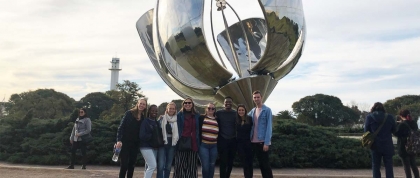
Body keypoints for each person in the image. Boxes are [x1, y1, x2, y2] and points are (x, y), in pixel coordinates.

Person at [116, 98, 147, 178]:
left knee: (132, 165)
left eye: (144, 104)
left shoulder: (143, 117)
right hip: (125, 142)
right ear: (137, 103)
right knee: (124, 165)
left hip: (135, 144)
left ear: (145, 106)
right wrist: (119, 140)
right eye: (141, 103)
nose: (142, 105)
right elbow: (121, 127)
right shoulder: (129, 113)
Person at [364, 102, 396, 178]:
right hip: (387, 144)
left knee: (375, 166)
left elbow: (366, 131)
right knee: (389, 166)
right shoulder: (390, 117)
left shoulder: (369, 117)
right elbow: (394, 130)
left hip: (375, 145)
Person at [248, 90, 273, 178]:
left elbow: (269, 127)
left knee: (265, 165)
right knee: (254, 164)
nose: (256, 99)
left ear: (261, 98)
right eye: (255, 97)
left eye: (258, 97)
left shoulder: (267, 110)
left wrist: (266, 143)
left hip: (262, 142)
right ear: (253, 99)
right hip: (252, 142)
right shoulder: (252, 111)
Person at [173, 98, 200, 178]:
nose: (187, 104)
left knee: (191, 166)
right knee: (180, 166)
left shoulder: (197, 115)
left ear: (192, 104)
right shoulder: (178, 115)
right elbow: (170, 119)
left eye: (189, 103)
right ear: (183, 104)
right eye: (186, 103)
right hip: (182, 142)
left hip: (193, 143)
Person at [394, 109, 419, 178]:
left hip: (403, 147)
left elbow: (396, 133)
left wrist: (397, 124)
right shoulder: (413, 123)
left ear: (401, 116)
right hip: (413, 146)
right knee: (413, 165)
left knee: (407, 167)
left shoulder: (402, 125)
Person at [216, 96, 237, 178]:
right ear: (223, 103)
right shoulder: (219, 113)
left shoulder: (235, 113)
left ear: (232, 103)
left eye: (229, 102)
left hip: (233, 140)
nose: (228, 103)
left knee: (230, 162)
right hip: (222, 140)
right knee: (223, 162)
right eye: (226, 102)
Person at [157, 102, 179, 178]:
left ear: (175, 110)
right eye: (170, 108)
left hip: (172, 143)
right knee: (161, 164)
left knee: (168, 165)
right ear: (167, 109)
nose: (171, 110)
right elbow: (157, 131)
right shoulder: (161, 118)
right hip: (163, 142)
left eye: (173, 108)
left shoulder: (177, 119)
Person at [139, 104, 161, 178]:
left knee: (148, 167)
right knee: (152, 165)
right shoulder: (145, 122)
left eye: (156, 111)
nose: (154, 112)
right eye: (152, 111)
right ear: (149, 111)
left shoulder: (157, 122)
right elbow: (142, 135)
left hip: (154, 147)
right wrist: (152, 136)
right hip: (145, 147)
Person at [198, 103, 219, 178]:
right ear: (206, 109)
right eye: (209, 108)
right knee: (205, 166)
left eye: (212, 108)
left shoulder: (217, 119)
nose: (211, 110)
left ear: (214, 110)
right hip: (203, 145)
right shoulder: (201, 118)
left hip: (214, 146)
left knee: (212, 165)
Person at [236, 104, 253, 178]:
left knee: (250, 163)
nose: (241, 111)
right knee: (244, 163)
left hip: (249, 143)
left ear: (245, 111)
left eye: (242, 110)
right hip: (240, 145)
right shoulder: (236, 120)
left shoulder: (249, 119)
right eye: (239, 110)